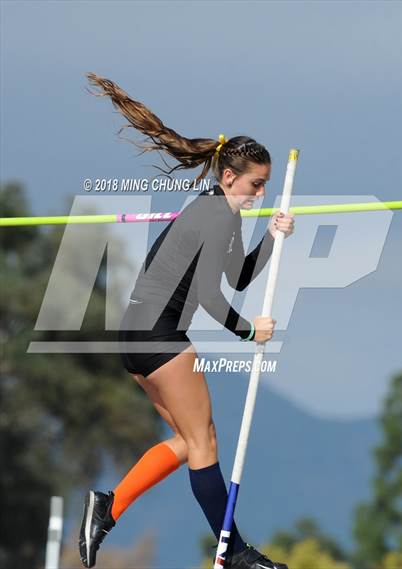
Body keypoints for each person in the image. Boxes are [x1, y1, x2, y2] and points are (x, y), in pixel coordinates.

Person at [79, 73, 295, 569]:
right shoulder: (218, 216)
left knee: (184, 441)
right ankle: (235, 552)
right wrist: (246, 331)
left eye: (266, 186)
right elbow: (206, 294)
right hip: (159, 337)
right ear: (228, 177)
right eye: (256, 183)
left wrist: (273, 239)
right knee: (205, 442)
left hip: (135, 340)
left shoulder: (217, 212)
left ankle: (108, 508)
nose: (261, 193)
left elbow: (238, 278)